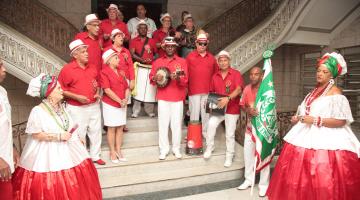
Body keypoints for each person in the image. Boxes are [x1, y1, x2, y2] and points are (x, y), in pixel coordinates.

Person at [267, 52, 360, 200]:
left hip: (328, 138)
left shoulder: (336, 94)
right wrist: (298, 118)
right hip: (304, 134)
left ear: (332, 75)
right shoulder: (314, 92)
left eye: (325, 72)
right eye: (318, 70)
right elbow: (307, 111)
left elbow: (341, 121)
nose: (320, 74)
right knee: (297, 176)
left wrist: (315, 120)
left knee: (323, 174)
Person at [12, 73, 102, 200]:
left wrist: (76, 137)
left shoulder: (61, 107)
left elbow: (69, 124)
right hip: (46, 153)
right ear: (49, 93)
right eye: (58, 88)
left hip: (69, 147)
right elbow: (36, 134)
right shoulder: (38, 111)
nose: (62, 90)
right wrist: (58, 137)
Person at [58, 39, 105, 165]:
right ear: (75, 55)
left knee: (96, 131)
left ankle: (95, 156)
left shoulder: (93, 67)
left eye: (86, 51)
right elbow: (61, 90)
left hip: (94, 105)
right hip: (77, 108)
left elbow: (98, 83)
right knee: (80, 134)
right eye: (83, 52)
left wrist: (97, 92)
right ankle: (82, 159)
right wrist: (77, 97)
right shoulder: (67, 69)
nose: (87, 54)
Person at [149, 37, 188, 160]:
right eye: (168, 46)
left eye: (172, 46)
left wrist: (177, 78)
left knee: (176, 125)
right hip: (163, 97)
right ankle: (164, 149)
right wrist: (155, 79)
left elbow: (185, 80)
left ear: (175, 48)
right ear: (164, 47)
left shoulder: (182, 61)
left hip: (177, 97)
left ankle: (176, 149)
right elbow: (152, 79)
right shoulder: (157, 62)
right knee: (163, 124)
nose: (170, 48)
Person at [203, 50, 244, 167]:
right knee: (210, 124)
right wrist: (207, 101)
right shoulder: (214, 76)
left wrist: (228, 98)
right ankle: (210, 147)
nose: (223, 63)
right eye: (220, 61)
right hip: (218, 109)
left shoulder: (236, 74)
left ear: (229, 61)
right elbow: (211, 92)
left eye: (225, 60)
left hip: (232, 108)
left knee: (229, 134)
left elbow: (238, 89)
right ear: (218, 62)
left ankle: (229, 156)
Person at [237, 66, 270, 197]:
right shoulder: (246, 89)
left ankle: (263, 184)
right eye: (251, 74)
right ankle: (249, 180)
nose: (253, 77)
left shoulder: (267, 90)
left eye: (256, 74)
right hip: (250, 128)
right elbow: (242, 105)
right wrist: (248, 110)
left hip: (264, 129)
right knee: (248, 155)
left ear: (261, 76)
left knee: (263, 156)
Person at [100, 49, 130, 163]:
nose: (119, 60)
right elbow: (107, 90)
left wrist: (125, 99)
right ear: (109, 60)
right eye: (116, 58)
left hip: (122, 104)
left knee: (120, 127)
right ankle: (112, 151)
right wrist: (119, 100)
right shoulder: (104, 72)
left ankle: (118, 150)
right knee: (111, 128)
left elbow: (127, 87)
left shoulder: (121, 71)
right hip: (110, 104)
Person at [186, 33, 217, 136]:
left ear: (207, 44)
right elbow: (186, 74)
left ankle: (205, 133)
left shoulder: (212, 58)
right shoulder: (190, 57)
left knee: (206, 114)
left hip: (208, 92)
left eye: (204, 44)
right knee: (194, 114)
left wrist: (214, 93)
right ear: (196, 43)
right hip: (193, 91)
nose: (202, 46)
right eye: (200, 43)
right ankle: (193, 134)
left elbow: (215, 75)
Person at [104, 29, 135, 132]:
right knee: (113, 100)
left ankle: (123, 123)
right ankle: (110, 124)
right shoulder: (107, 50)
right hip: (111, 78)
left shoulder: (126, 51)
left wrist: (132, 79)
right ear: (113, 39)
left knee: (124, 101)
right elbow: (103, 66)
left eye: (122, 36)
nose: (121, 38)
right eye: (118, 36)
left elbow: (130, 66)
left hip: (124, 79)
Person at [0, 58, 19, 200]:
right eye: (0, 66)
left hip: (5, 159)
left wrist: (12, 147)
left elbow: (6, 122)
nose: (4, 69)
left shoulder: (3, 91)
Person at [129, 20, 157, 118]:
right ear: (137, 29)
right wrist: (142, 60)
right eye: (141, 28)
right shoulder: (133, 40)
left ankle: (149, 111)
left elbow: (156, 53)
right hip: (139, 67)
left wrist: (153, 59)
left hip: (150, 67)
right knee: (138, 89)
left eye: (145, 28)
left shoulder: (152, 41)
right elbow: (131, 54)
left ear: (147, 30)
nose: (143, 30)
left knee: (150, 89)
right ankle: (135, 111)